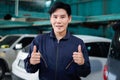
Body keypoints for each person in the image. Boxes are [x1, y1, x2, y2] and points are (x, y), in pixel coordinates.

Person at [24, 1, 91, 80]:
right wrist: (31, 62)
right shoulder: (39, 41)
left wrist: (82, 63)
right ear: (50, 19)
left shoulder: (78, 43)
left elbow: (85, 73)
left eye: (62, 17)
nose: (58, 21)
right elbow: (30, 70)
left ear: (69, 19)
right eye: (55, 17)